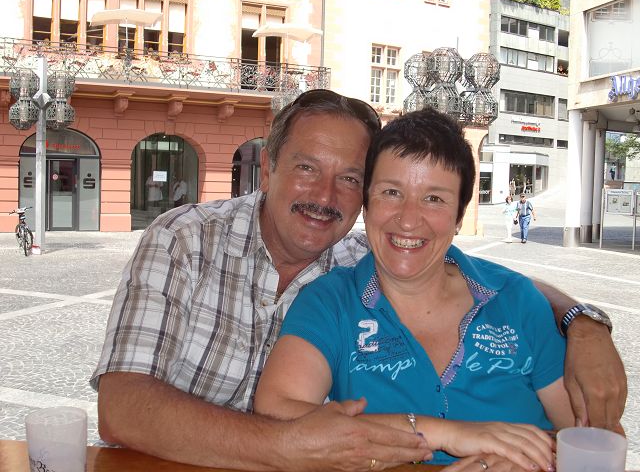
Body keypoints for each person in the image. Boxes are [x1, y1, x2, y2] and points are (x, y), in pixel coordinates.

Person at [91, 89, 626, 471]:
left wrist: (584, 322)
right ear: (268, 167)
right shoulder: (186, 239)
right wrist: (291, 445)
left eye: (348, 177)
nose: (325, 196)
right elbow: (122, 410)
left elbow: (493, 283)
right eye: (306, 168)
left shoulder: (370, 253)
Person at [254, 107, 585, 469]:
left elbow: (591, 435)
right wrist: (444, 433)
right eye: (391, 192)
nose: (409, 220)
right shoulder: (331, 302)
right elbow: (277, 413)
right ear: (367, 205)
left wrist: (533, 460)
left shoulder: (517, 300)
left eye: (434, 199)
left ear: (459, 217)